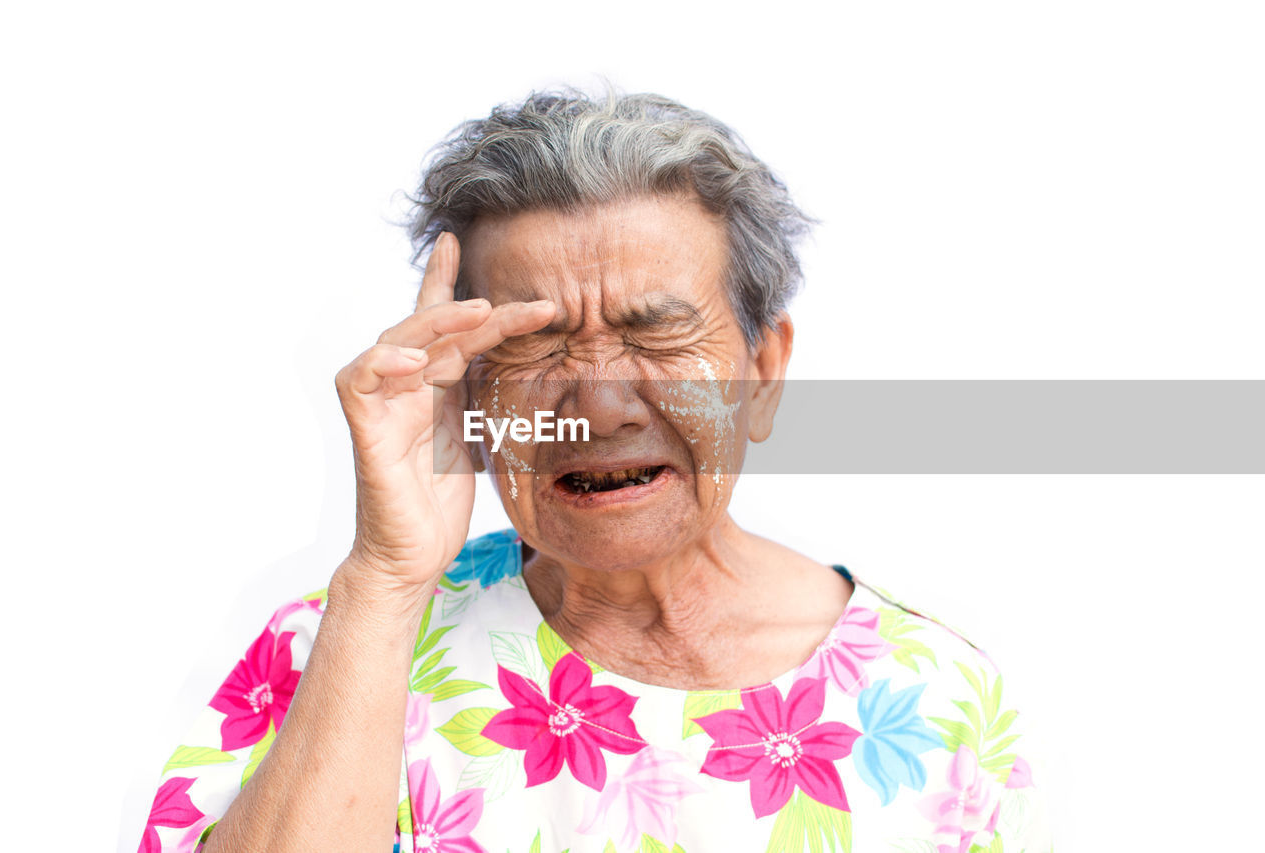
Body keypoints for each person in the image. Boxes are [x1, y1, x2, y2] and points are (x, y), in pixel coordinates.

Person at [136, 88, 1052, 853]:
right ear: (469, 394)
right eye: (533, 342)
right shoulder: (335, 648)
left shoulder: (933, 690)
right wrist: (386, 578)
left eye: (656, 332)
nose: (599, 405)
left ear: (762, 373)